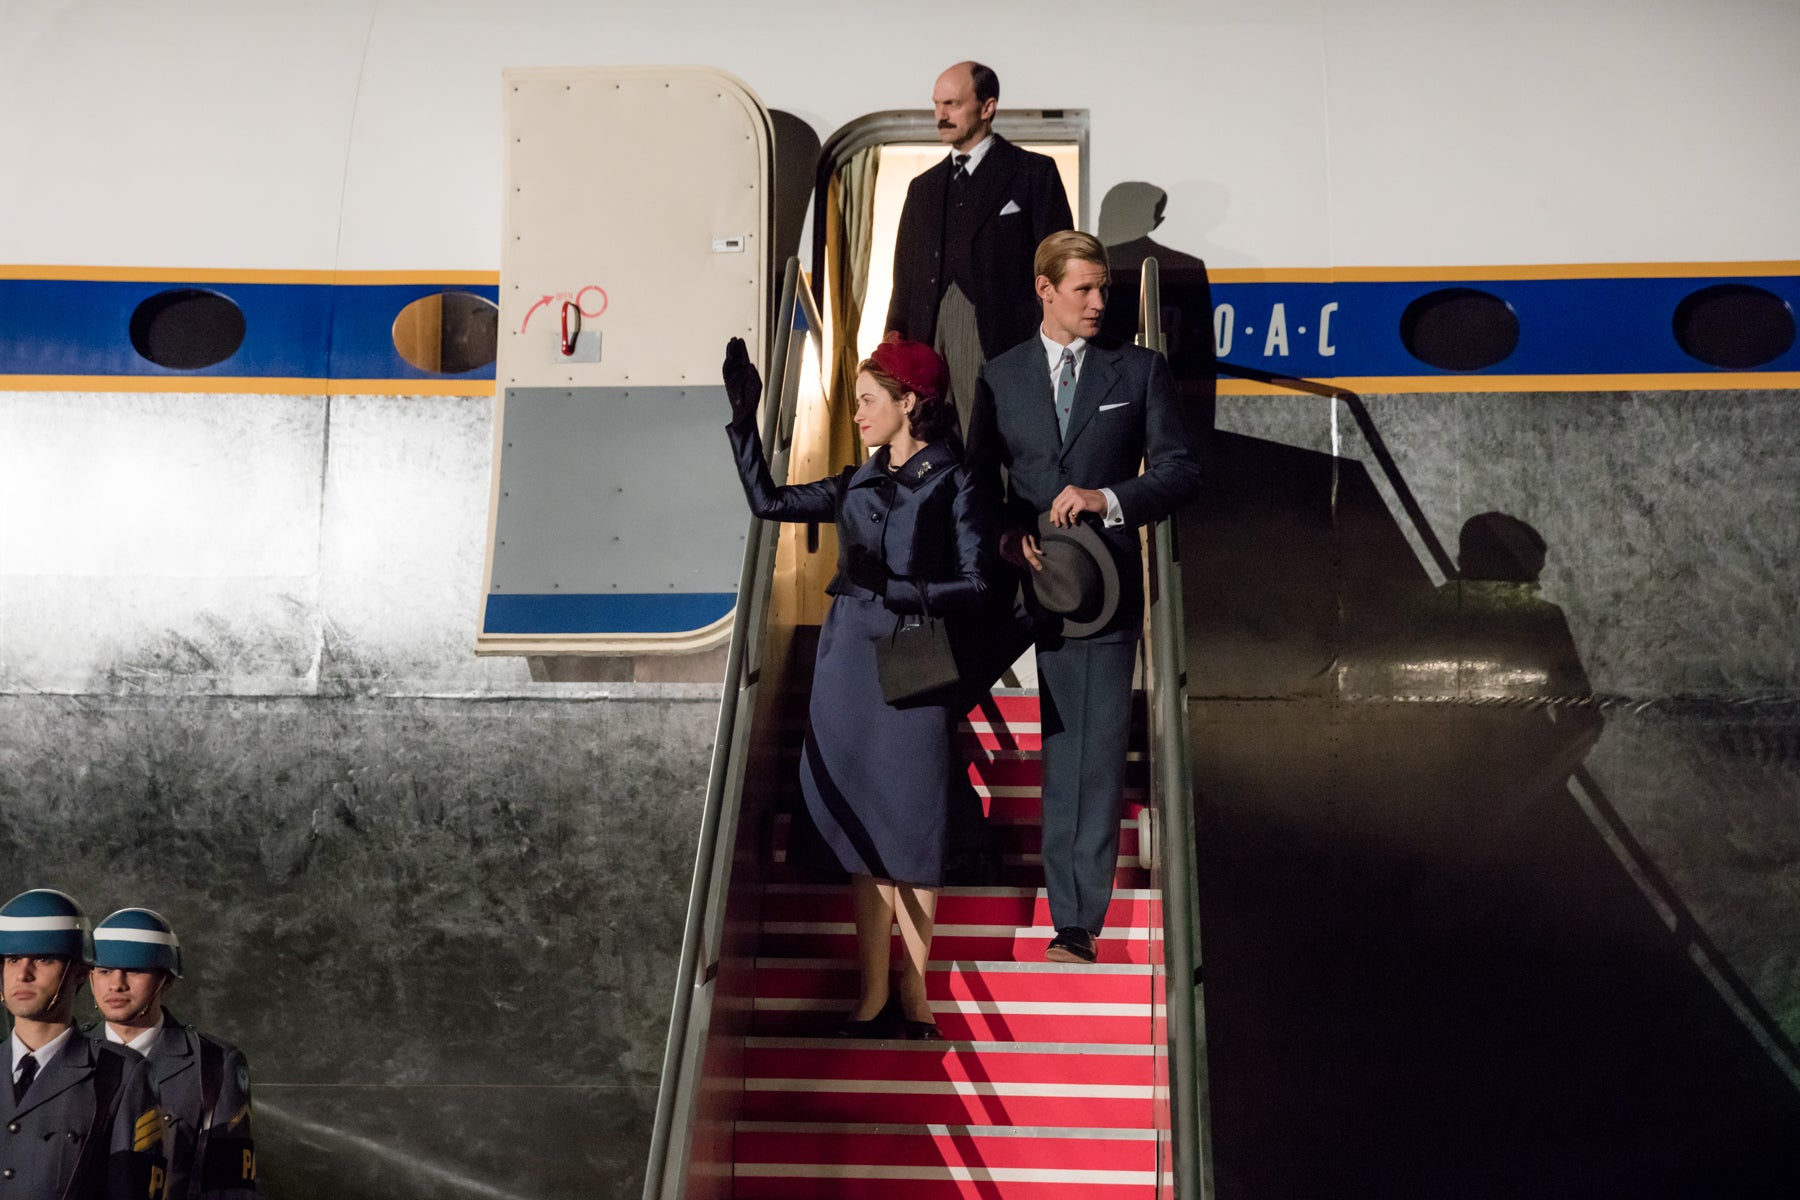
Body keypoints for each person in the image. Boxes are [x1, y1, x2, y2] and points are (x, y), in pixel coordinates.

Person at [723, 335, 993, 1038]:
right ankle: (872, 993)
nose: (859, 414)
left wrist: (900, 590)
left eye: (870, 401)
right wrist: (744, 423)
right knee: (864, 831)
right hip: (846, 664)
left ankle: (915, 990)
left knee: (913, 824)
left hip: (911, 664)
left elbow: (978, 584)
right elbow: (767, 502)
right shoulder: (855, 481)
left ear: (909, 403)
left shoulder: (954, 480)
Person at [967, 230, 1205, 963]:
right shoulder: (1001, 375)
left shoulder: (1138, 370)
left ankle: (1076, 921)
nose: (1101, 302)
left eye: (1104, 288)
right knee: (921, 708)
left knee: (1085, 755)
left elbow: (1181, 470)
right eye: (1085, 289)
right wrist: (1006, 536)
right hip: (1014, 589)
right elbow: (977, 485)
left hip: (1097, 593)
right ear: (1046, 290)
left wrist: (1106, 497)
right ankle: (950, 861)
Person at [886, 60, 1074, 428]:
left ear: (987, 107)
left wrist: (1054, 339)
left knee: (996, 442)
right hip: (927, 339)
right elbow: (904, 276)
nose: (940, 115)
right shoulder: (922, 187)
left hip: (1004, 338)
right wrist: (896, 337)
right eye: (937, 105)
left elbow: (1058, 265)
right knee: (931, 441)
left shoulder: (1033, 173)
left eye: (952, 104)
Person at [1, 888, 165, 1200]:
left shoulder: (121, 1075)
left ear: (79, 972)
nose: (23, 974)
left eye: (44, 958)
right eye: (12, 959)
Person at [88, 908, 257, 1198]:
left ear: (165, 980)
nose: (116, 984)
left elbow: (230, 1187)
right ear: (89, 978)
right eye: (104, 971)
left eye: (135, 970)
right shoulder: (64, 1055)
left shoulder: (213, 1065)